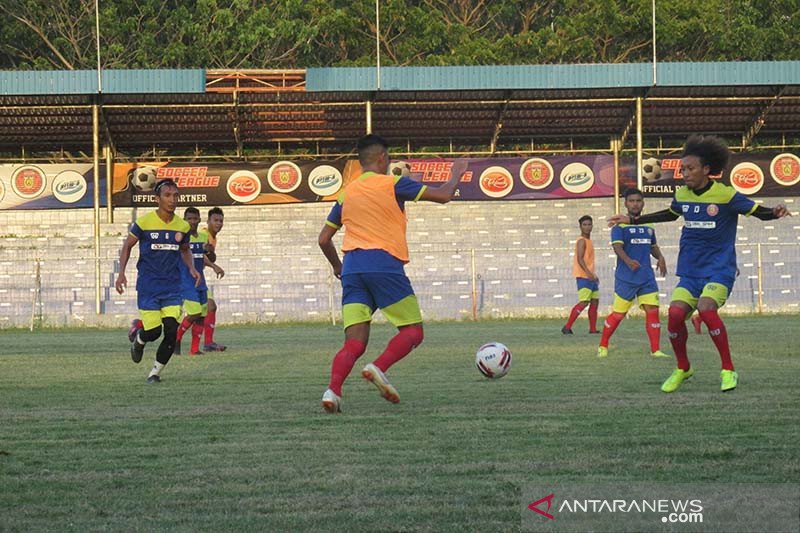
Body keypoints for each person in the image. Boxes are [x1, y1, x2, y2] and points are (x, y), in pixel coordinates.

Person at [609, 135, 790, 393]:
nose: (684, 173)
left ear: (707, 169)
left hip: (719, 269)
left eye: (690, 168)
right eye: (682, 169)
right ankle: (683, 368)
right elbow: (670, 215)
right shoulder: (682, 193)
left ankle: (728, 370)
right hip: (691, 271)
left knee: (706, 309)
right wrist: (633, 220)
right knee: (674, 315)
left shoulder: (726, 195)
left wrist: (775, 212)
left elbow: (757, 211)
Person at [318, 134, 466, 414]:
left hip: (352, 268)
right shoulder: (393, 184)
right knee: (413, 331)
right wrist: (457, 171)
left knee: (354, 342)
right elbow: (445, 195)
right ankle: (379, 367)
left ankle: (333, 391)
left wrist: (338, 267)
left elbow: (324, 238)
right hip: (383, 265)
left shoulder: (346, 193)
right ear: (383, 158)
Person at [115, 179, 200, 383]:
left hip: (172, 287)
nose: (172, 200)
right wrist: (121, 273)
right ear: (157, 199)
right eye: (167, 195)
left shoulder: (182, 226)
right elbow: (127, 246)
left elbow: (185, 249)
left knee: (171, 332)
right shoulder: (144, 223)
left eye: (176, 196)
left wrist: (191, 267)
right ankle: (140, 339)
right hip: (149, 287)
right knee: (153, 331)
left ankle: (154, 374)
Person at [597, 188, 669, 359]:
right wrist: (628, 261)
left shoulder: (648, 224)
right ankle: (603, 345)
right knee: (619, 314)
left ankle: (655, 350)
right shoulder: (619, 225)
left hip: (646, 278)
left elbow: (652, 246)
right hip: (626, 278)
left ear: (643, 203)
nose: (635, 204)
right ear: (626, 204)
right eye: (632, 201)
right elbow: (617, 246)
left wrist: (660, 257)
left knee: (653, 311)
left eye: (638, 201)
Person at [174, 207, 224, 356]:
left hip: (200, 281)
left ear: (199, 220)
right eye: (189, 219)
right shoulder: (180, 237)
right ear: (184, 220)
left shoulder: (203, 237)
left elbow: (204, 256)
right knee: (195, 312)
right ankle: (176, 339)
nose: (192, 222)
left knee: (202, 314)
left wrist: (212, 259)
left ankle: (194, 349)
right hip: (186, 281)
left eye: (195, 219)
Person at [562, 215, 600, 335]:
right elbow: (580, 259)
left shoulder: (589, 241)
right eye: (585, 225)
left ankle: (593, 329)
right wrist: (589, 273)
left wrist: (593, 274)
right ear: (580, 226)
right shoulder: (581, 241)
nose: (587, 227)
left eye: (589, 224)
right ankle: (567, 327)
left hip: (590, 277)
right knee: (584, 302)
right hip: (584, 277)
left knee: (595, 301)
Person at [201, 207, 227, 352]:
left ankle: (208, 343)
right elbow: (197, 254)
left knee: (210, 307)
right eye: (215, 220)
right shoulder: (203, 234)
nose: (218, 223)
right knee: (173, 315)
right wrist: (213, 265)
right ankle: (139, 326)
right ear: (208, 221)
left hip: (196, 276)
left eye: (221, 221)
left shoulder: (213, 238)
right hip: (186, 276)